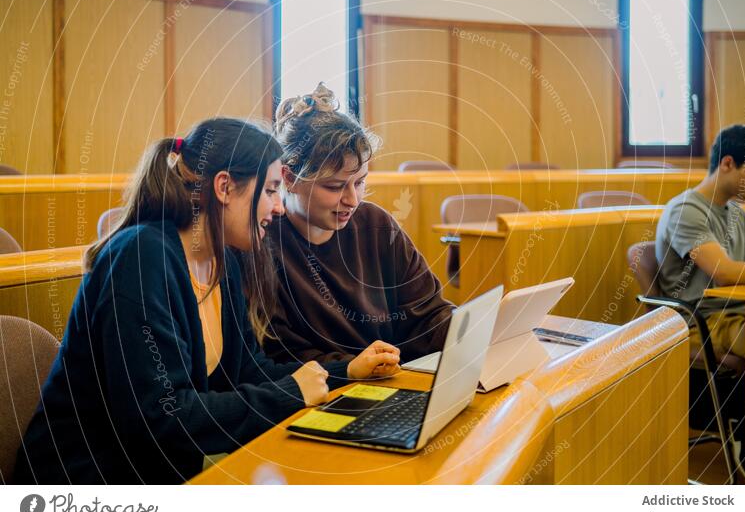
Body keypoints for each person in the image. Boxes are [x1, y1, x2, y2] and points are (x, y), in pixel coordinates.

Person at [14, 118, 399, 485]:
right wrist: (290, 394)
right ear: (225, 188)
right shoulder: (141, 259)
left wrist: (345, 373)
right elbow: (162, 416)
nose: (278, 207)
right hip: (85, 485)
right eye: (268, 191)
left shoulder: (222, 259)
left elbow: (248, 370)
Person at [266, 83, 454, 364]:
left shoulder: (376, 224)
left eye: (360, 182)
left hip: (389, 380)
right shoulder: (263, 241)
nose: (352, 200)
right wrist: (351, 367)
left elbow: (426, 313)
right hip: (322, 395)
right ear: (290, 178)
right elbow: (280, 354)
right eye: (335, 186)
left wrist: (470, 330)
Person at [656, 124, 745, 360]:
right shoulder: (685, 210)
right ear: (727, 163)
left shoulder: (736, 213)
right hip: (703, 322)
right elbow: (725, 273)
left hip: (743, 312)